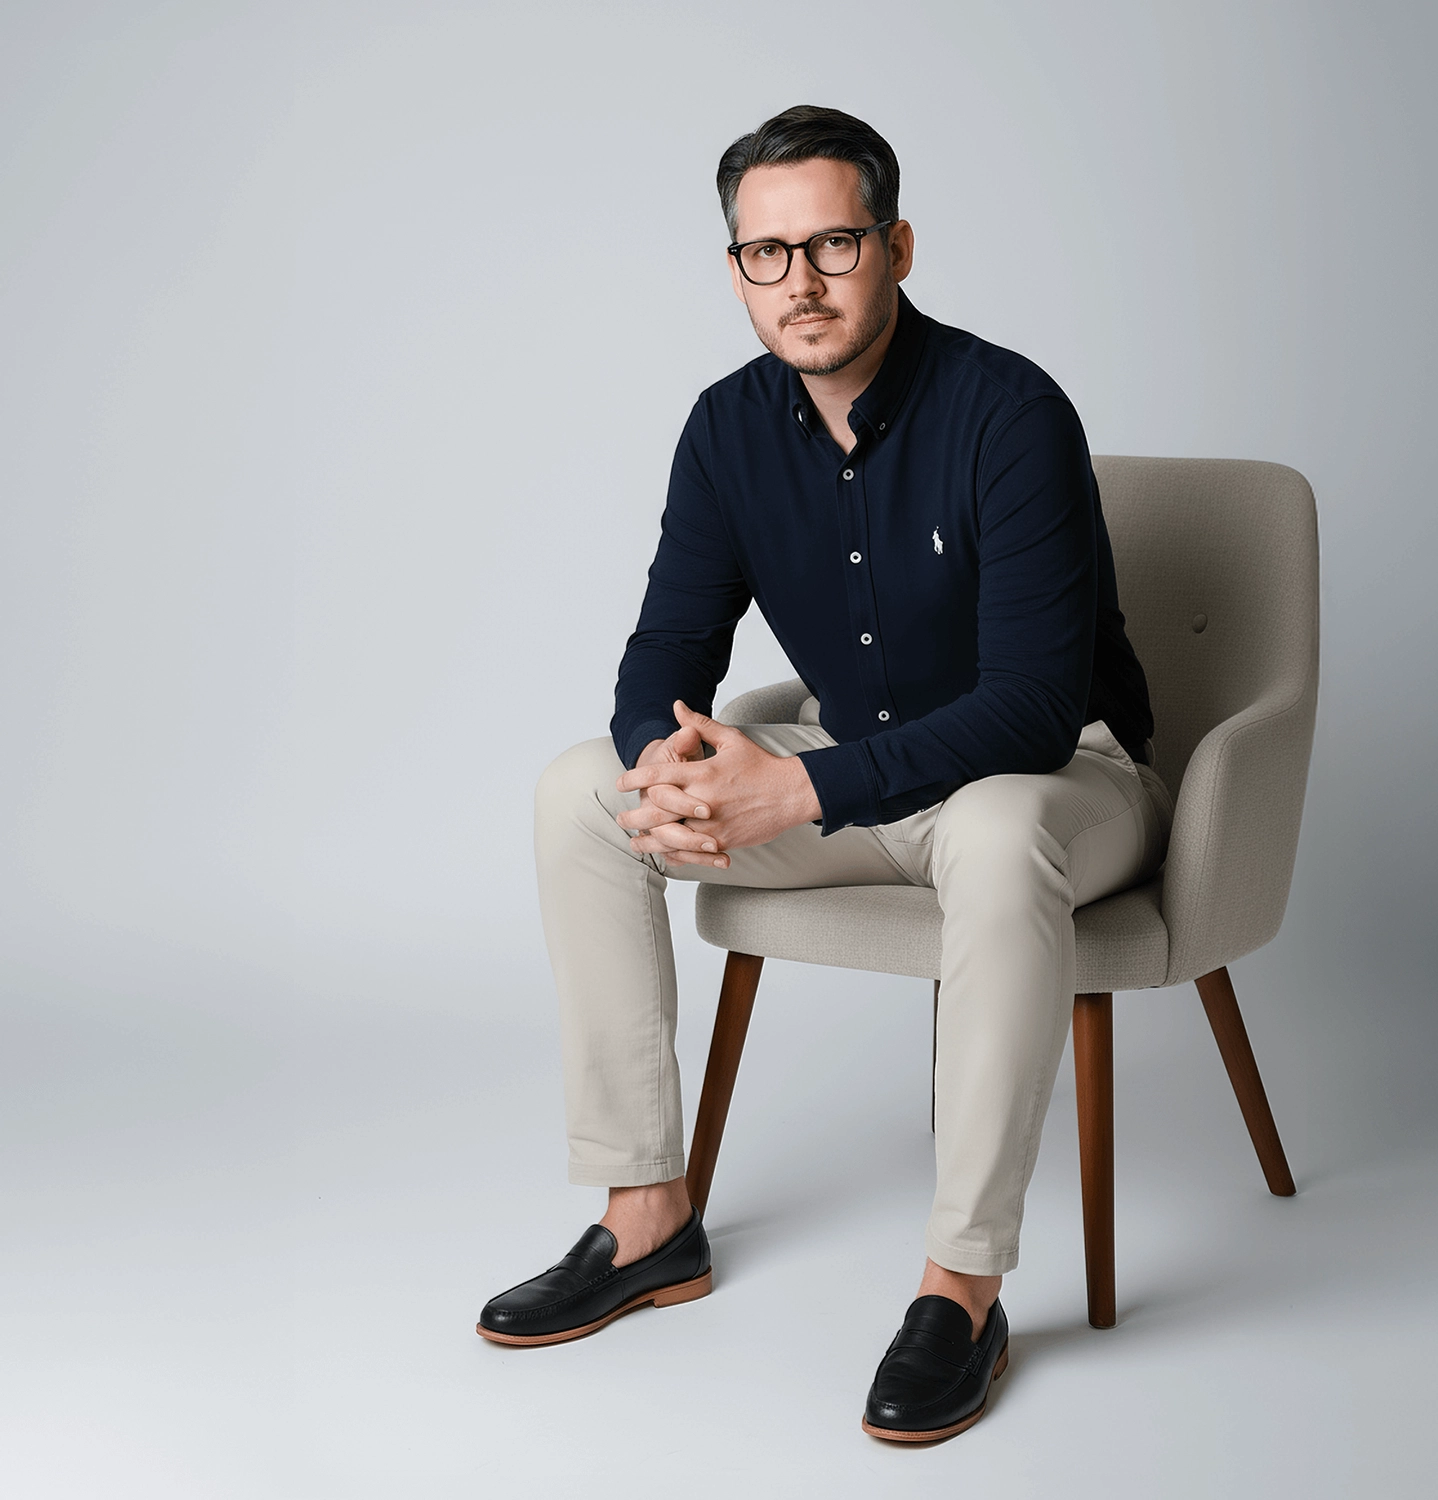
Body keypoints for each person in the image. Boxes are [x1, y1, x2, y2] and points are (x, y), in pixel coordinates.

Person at [478, 104, 1170, 1443]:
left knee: (998, 834)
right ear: (736, 270)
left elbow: (1032, 708)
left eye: (833, 244)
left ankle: (963, 1288)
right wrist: (667, 763)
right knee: (580, 793)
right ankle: (647, 1218)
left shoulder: (1011, 412)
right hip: (858, 772)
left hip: (1056, 778)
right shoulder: (726, 428)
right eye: (765, 253)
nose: (799, 281)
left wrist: (793, 792)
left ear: (895, 247)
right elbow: (666, 648)